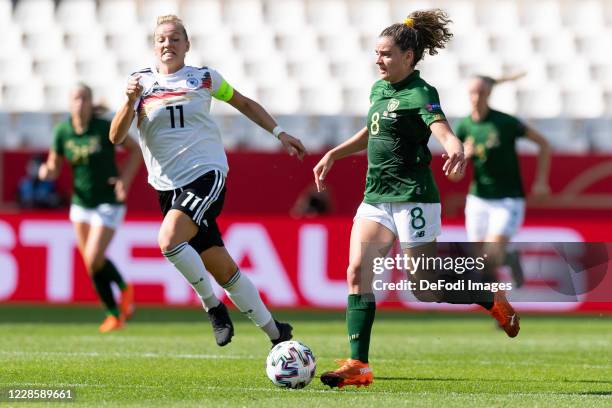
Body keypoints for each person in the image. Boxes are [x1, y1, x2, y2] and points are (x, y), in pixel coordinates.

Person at [313, 10, 521, 389]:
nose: (378, 60)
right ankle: (358, 364)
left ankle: (489, 297)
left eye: (386, 54)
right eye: (376, 53)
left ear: (408, 57)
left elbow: (438, 125)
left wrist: (455, 147)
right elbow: (372, 128)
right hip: (376, 197)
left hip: (413, 198)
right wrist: (335, 153)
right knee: (357, 270)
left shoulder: (421, 93)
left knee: (424, 284)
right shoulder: (380, 90)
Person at [109, 15, 306, 347]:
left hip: (206, 174)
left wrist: (279, 132)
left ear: (187, 45)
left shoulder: (204, 78)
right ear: (153, 45)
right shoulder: (139, 83)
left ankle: (212, 306)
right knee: (223, 268)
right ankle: (276, 332)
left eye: (174, 39)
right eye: (161, 39)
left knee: (169, 240)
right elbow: (115, 137)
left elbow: (242, 102)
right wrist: (129, 102)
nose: (167, 45)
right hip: (167, 188)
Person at [39, 83, 141, 333]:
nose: (80, 103)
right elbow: (54, 164)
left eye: (84, 98)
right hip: (81, 203)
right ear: (69, 103)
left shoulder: (103, 127)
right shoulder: (63, 131)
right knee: (90, 263)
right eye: (75, 98)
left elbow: (135, 150)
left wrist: (124, 182)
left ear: (90, 102)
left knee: (94, 257)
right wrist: (47, 171)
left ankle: (124, 290)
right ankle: (114, 313)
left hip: (108, 200)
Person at [452, 75, 551, 287]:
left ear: (488, 94)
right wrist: (464, 158)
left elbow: (543, 143)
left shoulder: (505, 122)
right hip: (478, 197)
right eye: (472, 92)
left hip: (508, 198)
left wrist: (541, 181)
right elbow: (454, 176)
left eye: (480, 92)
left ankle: (509, 259)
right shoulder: (464, 127)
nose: (476, 97)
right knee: (482, 263)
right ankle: (501, 307)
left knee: (491, 254)